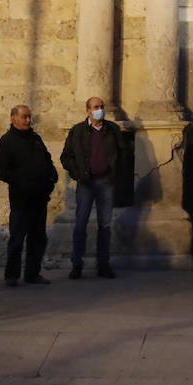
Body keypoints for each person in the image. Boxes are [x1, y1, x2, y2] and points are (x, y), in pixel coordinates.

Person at [60, 97, 122, 280]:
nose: (100, 110)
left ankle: (103, 265)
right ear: (87, 110)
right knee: (80, 225)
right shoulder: (78, 131)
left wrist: (114, 173)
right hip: (85, 184)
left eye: (102, 107)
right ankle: (77, 264)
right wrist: (78, 174)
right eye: (96, 107)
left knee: (105, 225)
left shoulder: (112, 130)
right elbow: (66, 156)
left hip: (105, 182)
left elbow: (122, 152)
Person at [0, 105, 57, 286]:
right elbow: (2, 172)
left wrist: (51, 177)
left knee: (38, 237)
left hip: (39, 198)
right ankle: (12, 275)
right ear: (13, 118)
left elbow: (47, 159)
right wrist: (23, 182)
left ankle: (33, 273)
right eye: (24, 117)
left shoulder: (35, 139)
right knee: (17, 238)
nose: (28, 120)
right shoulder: (6, 142)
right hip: (21, 199)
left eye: (29, 117)